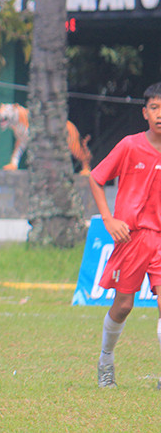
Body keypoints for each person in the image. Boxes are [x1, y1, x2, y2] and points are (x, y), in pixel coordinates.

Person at [91, 81, 161, 388]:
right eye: (155, 108)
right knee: (124, 306)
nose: (160, 114)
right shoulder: (130, 145)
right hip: (131, 239)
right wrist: (108, 219)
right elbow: (96, 178)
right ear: (145, 112)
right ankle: (106, 359)